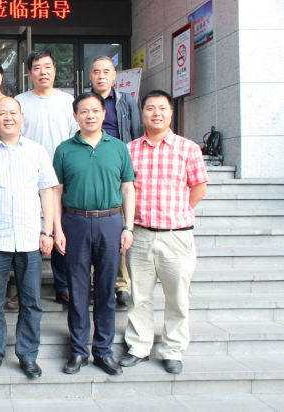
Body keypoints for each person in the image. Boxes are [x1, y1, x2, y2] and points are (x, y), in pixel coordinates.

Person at [119, 90, 208, 375]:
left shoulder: (188, 148)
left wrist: (179, 212)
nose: (156, 113)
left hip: (176, 236)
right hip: (140, 234)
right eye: (150, 108)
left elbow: (199, 187)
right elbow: (125, 190)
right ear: (142, 113)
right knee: (139, 296)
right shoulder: (129, 149)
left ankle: (172, 349)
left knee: (177, 298)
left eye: (162, 108)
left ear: (171, 112)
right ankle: (139, 346)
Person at [0, 96, 57, 380]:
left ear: (21, 118)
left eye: (13, 113)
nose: (8, 117)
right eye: (2, 113)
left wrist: (48, 231)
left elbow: (47, 192)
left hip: (30, 238)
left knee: (31, 302)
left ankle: (28, 356)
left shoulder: (36, 151)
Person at [52, 92, 136, 376]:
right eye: (84, 111)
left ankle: (103, 351)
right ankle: (78, 351)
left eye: (95, 110)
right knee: (77, 291)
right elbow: (56, 192)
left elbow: (128, 188)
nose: (90, 115)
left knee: (106, 291)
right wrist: (57, 229)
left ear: (104, 114)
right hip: (74, 222)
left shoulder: (118, 147)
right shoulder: (64, 149)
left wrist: (128, 226)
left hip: (110, 222)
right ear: (75, 116)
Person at [14, 49, 78, 308]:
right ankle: (24, 289)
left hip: (62, 176)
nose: (43, 72)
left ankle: (63, 286)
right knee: (29, 231)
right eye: (37, 67)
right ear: (29, 73)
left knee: (60, 227)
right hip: (27, 176)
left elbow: (76, 137)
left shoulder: (68, 101)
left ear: (55, 70)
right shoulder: (19, 101)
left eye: (48, 66)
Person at [89, 55, 143, 305]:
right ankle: (94, 283)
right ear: (90, 75)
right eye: (96, 71)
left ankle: (121, 284)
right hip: (90, 164)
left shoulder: (126, 101)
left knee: (117, 228)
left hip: (117, 166)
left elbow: (135, 132)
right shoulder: (84, 101)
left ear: (114, 75)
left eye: (106, 71)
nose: (101, 76)